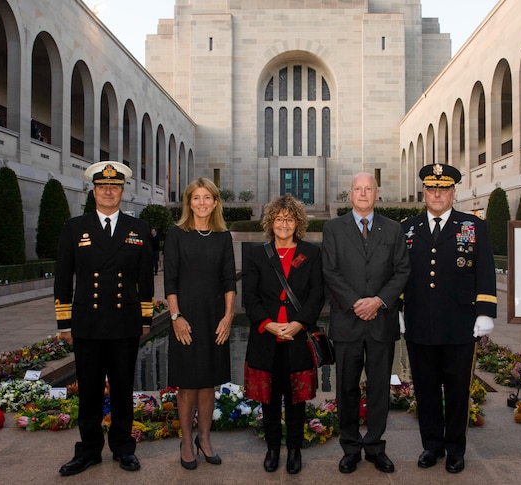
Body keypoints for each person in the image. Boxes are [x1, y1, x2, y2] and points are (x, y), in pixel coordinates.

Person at [54, 161, 153, 476]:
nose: (108, 191)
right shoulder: (74, 227)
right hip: (88, 324)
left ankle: (124, 449)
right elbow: (62, 278)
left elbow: (146, 280)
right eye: (102, 187)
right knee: (90, 392)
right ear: (94, 191)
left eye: (114, 187)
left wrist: (147, 318)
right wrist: (64, 323)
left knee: (123, 390)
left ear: (123, 191)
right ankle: (88, 451)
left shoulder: (137, 228)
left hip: (124, 323)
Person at [401, 163, 497, 474]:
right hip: (419, 323)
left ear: (453, 192)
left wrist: (485, 312)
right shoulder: (408, 228)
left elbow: (484, 270)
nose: (437, 194)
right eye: (431, 188)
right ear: (424, 192)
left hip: (459, 324)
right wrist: (401, 309)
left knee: (457, 390)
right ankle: (432, 446)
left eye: (443, 189)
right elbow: (401, 274)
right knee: (425, 389)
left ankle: (455, 449)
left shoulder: (472, 226)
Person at [322, 172, 410, 474]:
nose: (363, 194)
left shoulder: (394, 229)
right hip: (347, 321)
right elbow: (330, 271)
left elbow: (402, 271)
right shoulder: (333, 228)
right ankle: (349, 447)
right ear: (350, 194)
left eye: (368, 189)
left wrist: (378, 301)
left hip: (381, 321)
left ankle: (374, 446)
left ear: (377, 193)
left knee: (378, 388)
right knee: (346, 387)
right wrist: (357, 304)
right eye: (358, 189)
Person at [242, 195, 324, 475]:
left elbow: (317, 294)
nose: (284, 223)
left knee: (296, 400)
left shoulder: (311, 254)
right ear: (270, 222)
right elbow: (249, 297)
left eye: (289, 218)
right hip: (266, 338)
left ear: (298, 222)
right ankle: (273, 449)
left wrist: (300, 323)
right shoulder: (256, 254)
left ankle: (295, 450)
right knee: (270, 400)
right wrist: (267, 323)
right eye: (279, 218)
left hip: (297, 338)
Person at [164, 177, 236, 470]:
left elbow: (229, 280)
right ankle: (186, 441)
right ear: (189, 202)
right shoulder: (176, 234)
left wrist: (229, 317)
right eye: (197, 198)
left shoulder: (223, 236)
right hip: (186, 317)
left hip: (214, 318)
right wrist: (176, 317)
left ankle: (204, 439)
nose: (202, 203)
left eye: (208, 197)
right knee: (187, 385)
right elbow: (170, 281)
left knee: (208, 384)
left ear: (215, 202)